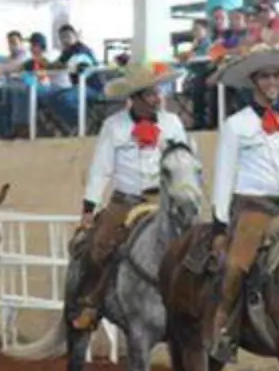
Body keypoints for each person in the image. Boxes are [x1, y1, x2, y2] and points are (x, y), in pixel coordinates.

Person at [209, 44, 279, 363]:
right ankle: (224, 328)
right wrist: (220, 220)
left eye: (276, 76)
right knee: (235, 265)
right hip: (254, 207)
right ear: (254, 82)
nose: (272, 82)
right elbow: (223, 175)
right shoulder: (236, 125)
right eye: (265, 76)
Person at [69, 62, 190, 331]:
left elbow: (184, 161)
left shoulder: (172, 123)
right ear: (133, 98)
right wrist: (89, 208)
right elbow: (101, 169)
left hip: (164, 200)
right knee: (98, 245)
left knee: (196, 246)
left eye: (158, 92)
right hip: (126, 200)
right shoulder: (114, 126)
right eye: (149, 94)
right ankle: (91, 301)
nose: (157, 98)